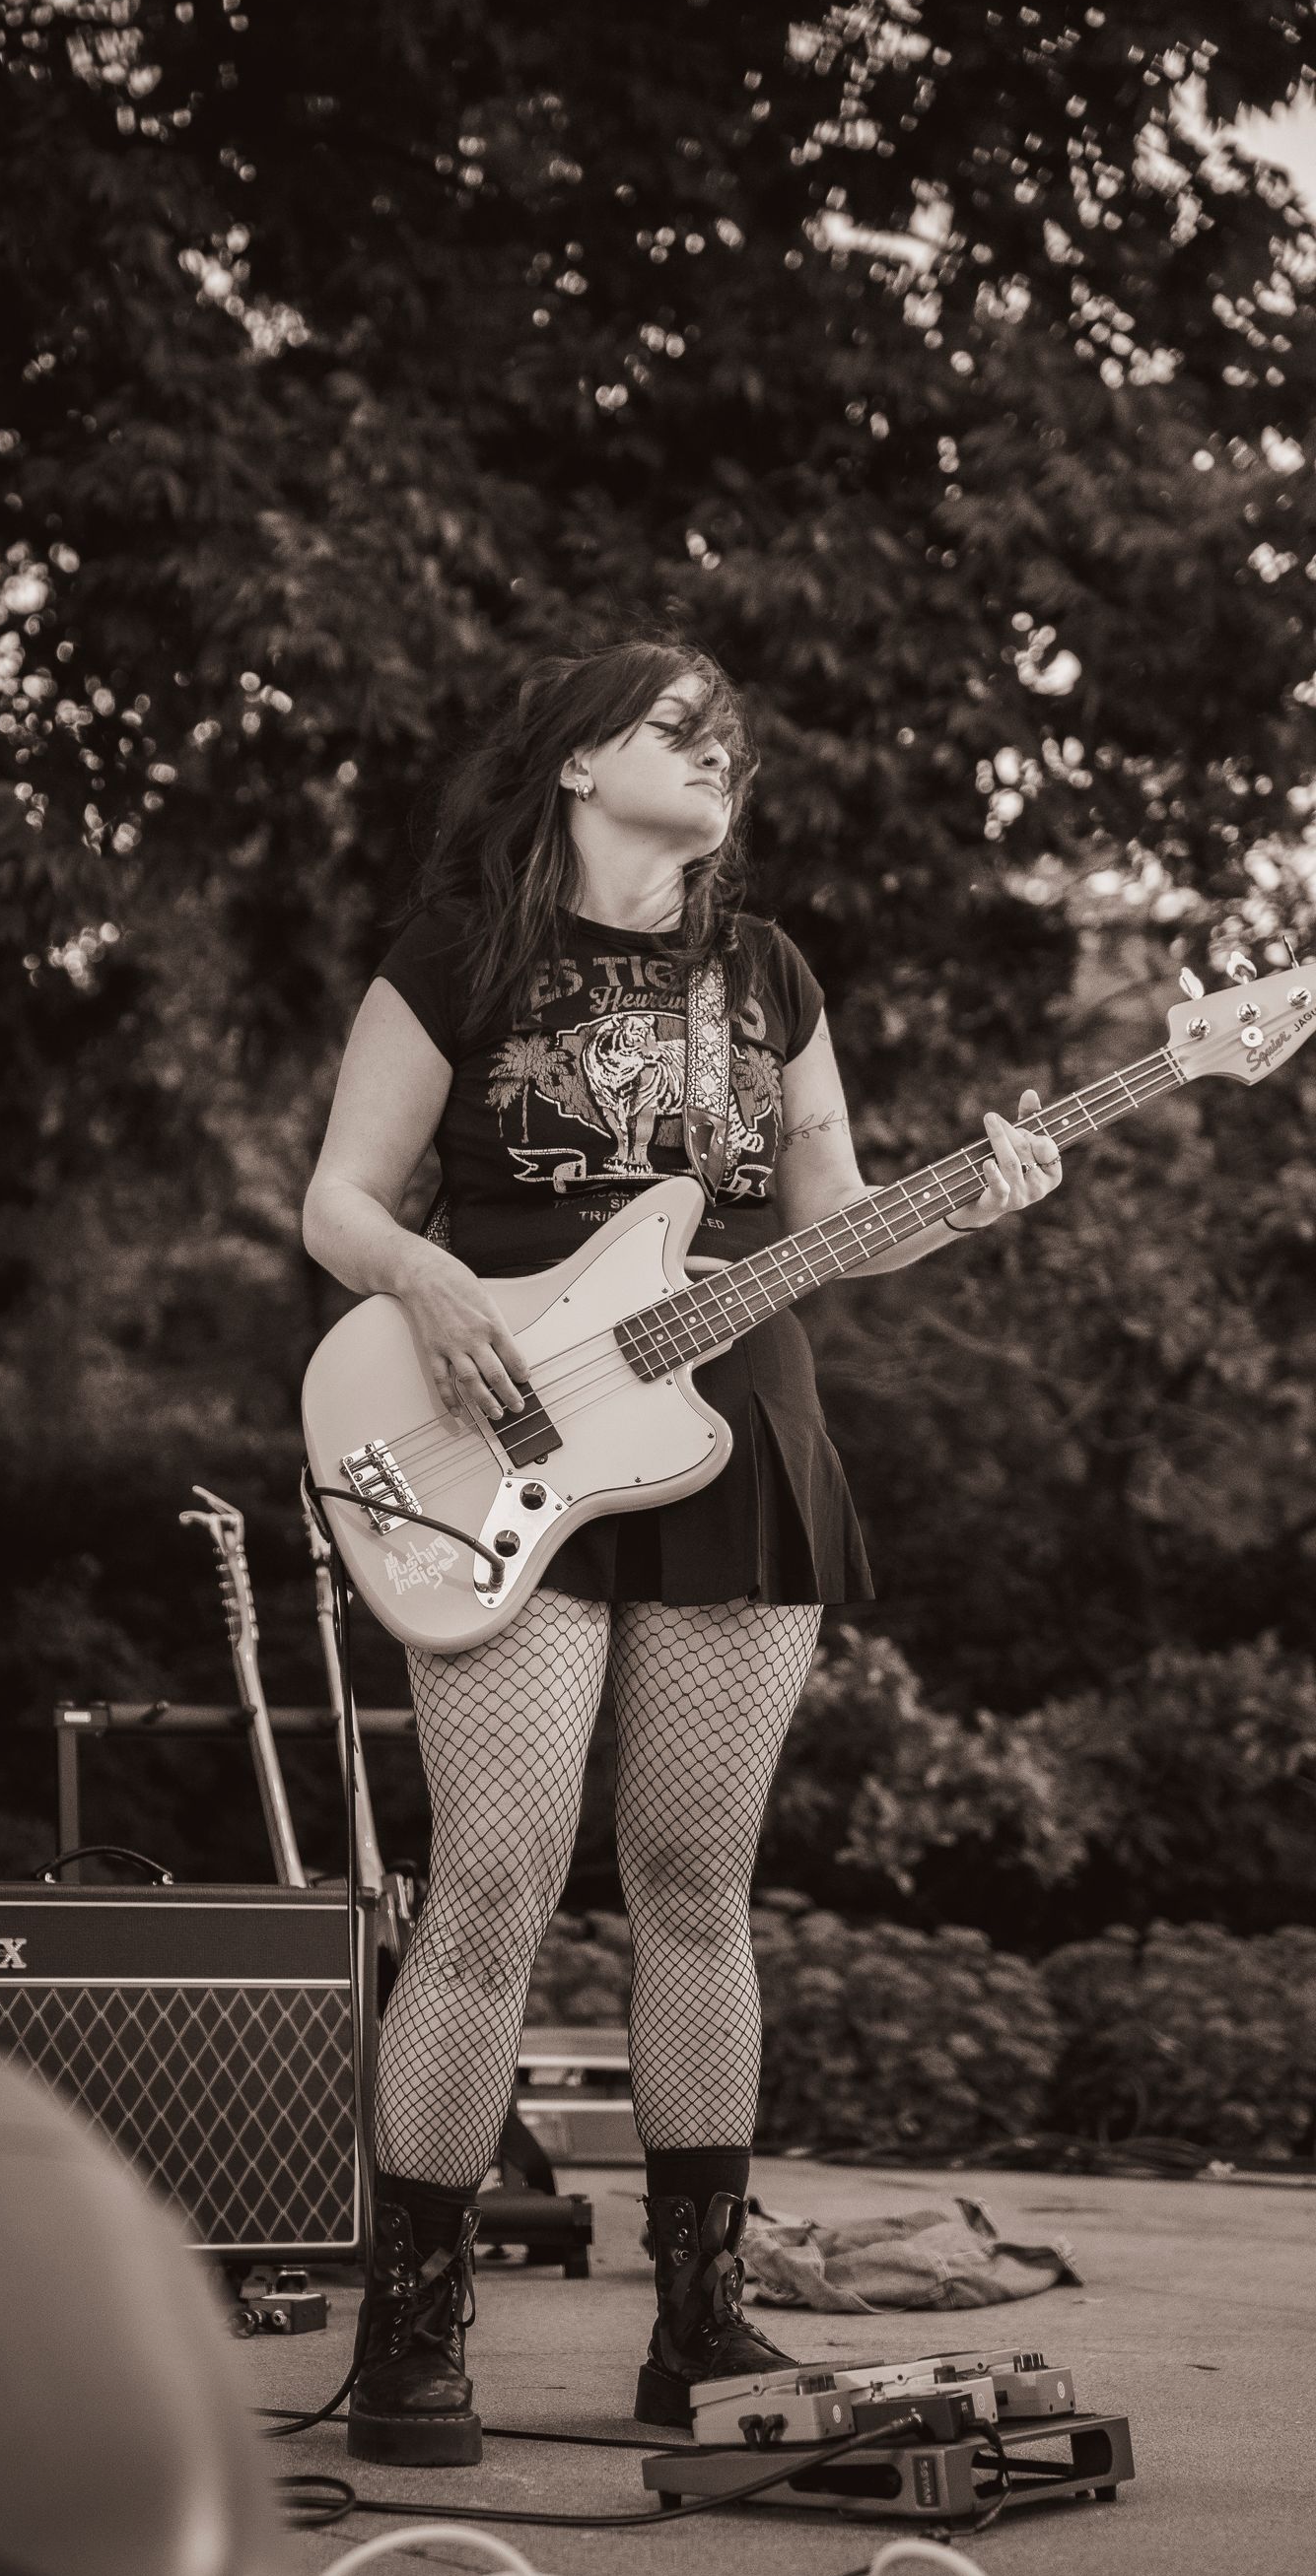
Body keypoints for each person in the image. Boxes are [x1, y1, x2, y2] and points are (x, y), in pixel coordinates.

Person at [301, 631, 1064, 2466]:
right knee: (493, 1884)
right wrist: (432, 1283)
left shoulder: (769, 973)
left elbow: (837, 1221)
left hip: (737, 1436)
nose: (718, 755)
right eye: (675, 729)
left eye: (731, 741)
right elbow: (339, 1198)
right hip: (504, 1423)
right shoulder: (458, 951)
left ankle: (702, 2319)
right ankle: (415, 2322)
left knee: (701, 1886)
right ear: (577, 762)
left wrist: (976, 1197)